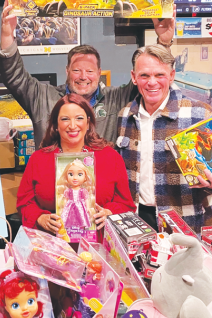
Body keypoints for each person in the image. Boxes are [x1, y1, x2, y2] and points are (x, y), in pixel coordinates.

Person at [0, 0, 175, 148]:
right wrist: (7, 35)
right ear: (67, 71)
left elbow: (147, 79)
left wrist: (163, 43)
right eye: (76, 70)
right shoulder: (42, 97)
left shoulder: (116, 98)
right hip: (54, 186)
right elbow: (15, 77)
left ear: (99, 73)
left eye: (90, 71)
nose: (83, 76)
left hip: (104, 186)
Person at [117, 45, 212, 232]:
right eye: (144, 75)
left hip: (187, 223)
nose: (152, 82)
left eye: (159, 75)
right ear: (134, 77)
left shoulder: (200, 113)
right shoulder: (125, 116)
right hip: (137, 221)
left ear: (171, 76)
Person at [16, 94, 136, 238]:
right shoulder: (39, 159)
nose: (73, 125)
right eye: (65, 119)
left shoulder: (110, 157)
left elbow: (126, 205)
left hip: (99, 245)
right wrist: (39, 217)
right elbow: (24, 203)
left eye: (79, 118)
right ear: (55, 124)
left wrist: (109, 212)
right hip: (52, 245)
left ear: (88, 122)